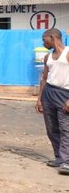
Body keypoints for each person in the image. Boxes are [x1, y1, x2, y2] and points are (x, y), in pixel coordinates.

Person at [35, 28, 69, 175]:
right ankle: (59, 158)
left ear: (53, 37)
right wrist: (39, 99)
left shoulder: (68, 53)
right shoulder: (47, 57)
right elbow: (44, 79)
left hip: (64, 94)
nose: (43, 42)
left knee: (65, 128)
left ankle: (67, 161)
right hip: (49, 92)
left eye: (44, 39)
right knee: (51, 128)